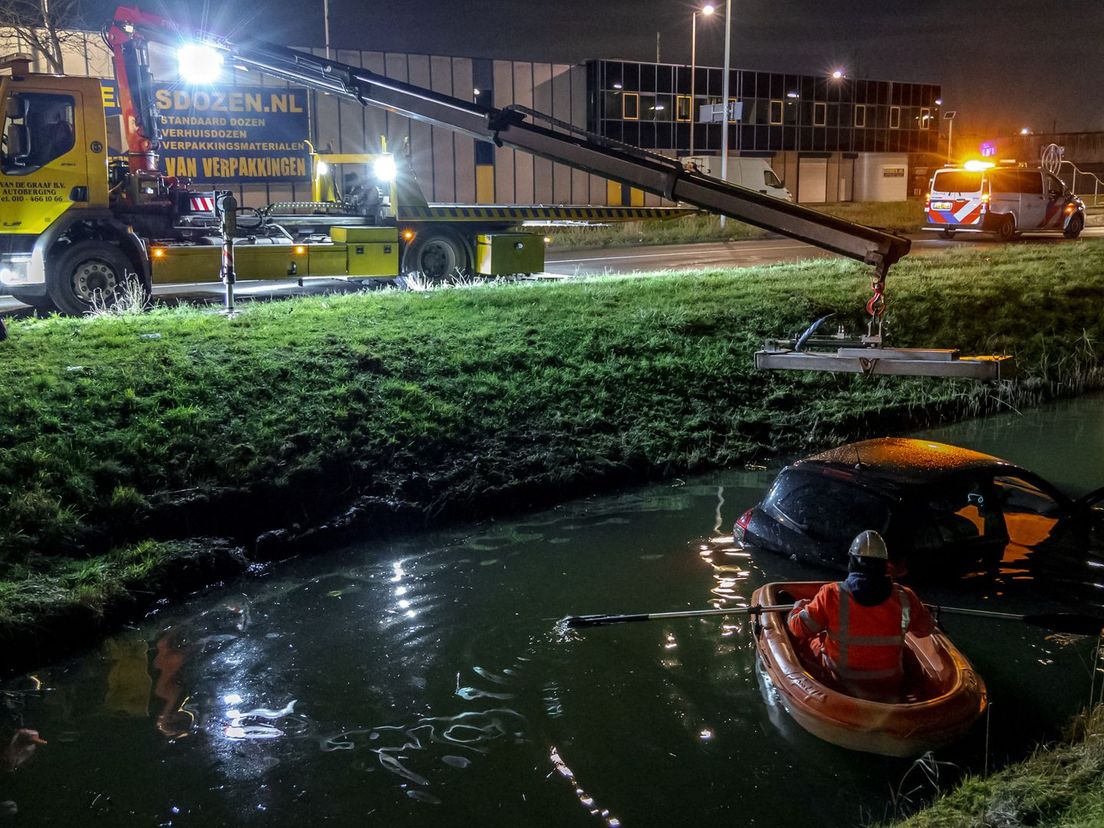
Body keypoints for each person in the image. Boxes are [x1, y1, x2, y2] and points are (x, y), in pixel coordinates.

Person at [787, 529, 934, 701]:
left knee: (809, 641)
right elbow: (925, 630)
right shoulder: (905, 597)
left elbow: (798, 629)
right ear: (884, 564)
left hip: (841, 682)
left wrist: (796, 609)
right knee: (906, 649)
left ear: (853, 561)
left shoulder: (831, 594)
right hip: (890, 684)